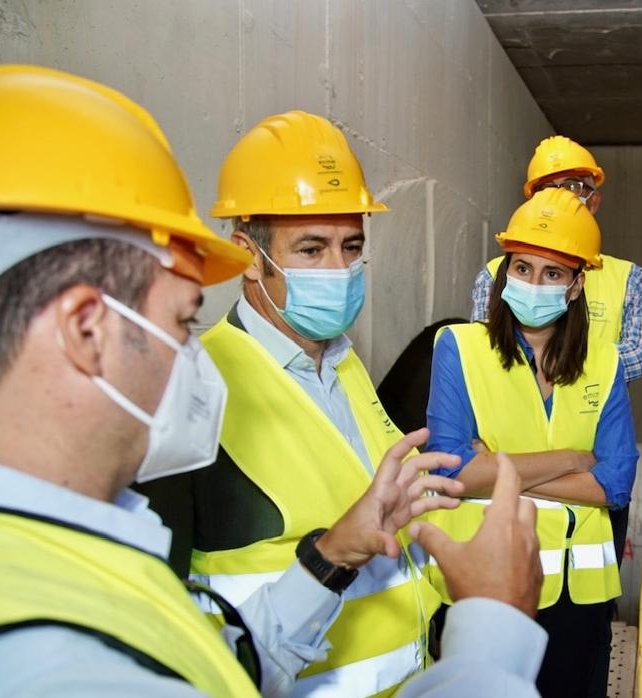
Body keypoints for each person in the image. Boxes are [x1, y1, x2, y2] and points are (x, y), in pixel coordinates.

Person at [0, 64, 546, 698]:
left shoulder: (24, 555)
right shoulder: (36, 663)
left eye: (351, 246)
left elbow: (219, 666)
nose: (193, 357)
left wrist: (331, 554)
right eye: (182, 323)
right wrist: (495, 629)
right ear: (86, 331)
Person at [136, 110, 438, 697]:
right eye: (312, 249)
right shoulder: (193, 384)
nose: (341, 270)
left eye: (352, 247)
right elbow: (166, 618)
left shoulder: (345, 364)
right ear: (250, 256)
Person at [426, 188, 639, 698]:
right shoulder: (459, 347)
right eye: (522, 268)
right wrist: (571, 459)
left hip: (580, 593)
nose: (533, 283)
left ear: (575, 285)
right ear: (504, 273)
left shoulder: (604, 363)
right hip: (487, 574)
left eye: (552, 273)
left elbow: (616, 481)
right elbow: (453, 473)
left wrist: (495, 466)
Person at [471, 135, 642, 383]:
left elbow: (636, 357)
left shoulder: (628, 278)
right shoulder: (495, 273)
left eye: (572, 187)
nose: (560, 198)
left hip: (592, 416)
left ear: (594, 202)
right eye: (547, 188)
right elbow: (484, 350)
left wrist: (554, 364)